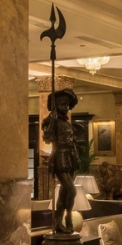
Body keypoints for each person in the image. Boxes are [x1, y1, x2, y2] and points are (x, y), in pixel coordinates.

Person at [40, 88, 81, 234]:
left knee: (64, 193)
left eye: (67, 104)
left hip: (71, 156)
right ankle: (67, 217)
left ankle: (59, 222)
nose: (65, 107)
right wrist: (50, 125)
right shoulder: (53, 121)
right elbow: (47, 138)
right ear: (56, 105)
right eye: (62, 104)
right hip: (60, 157)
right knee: (72, 190)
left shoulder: (66, 122)